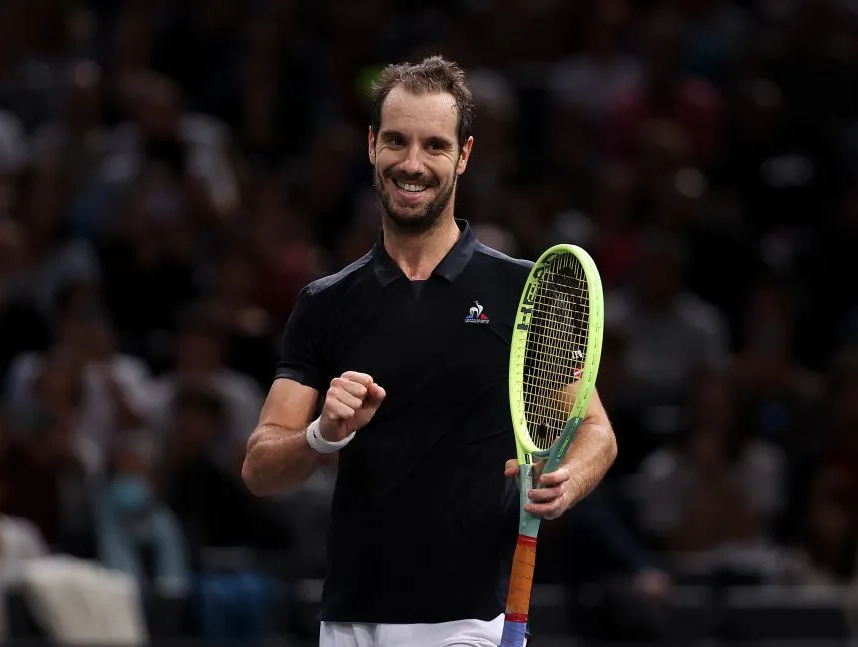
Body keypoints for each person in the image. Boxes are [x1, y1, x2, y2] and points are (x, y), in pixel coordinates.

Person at [241, 56, 617, 647]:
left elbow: (595, 429)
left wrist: (565, 479)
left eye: (434, 146)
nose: (411, 164)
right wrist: (323, 433)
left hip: (468, 621)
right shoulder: (325, 302)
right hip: (349, 622)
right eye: (396, 141)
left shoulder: (522, 292)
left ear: (462, 156)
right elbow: (260, 469)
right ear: (372, 146)